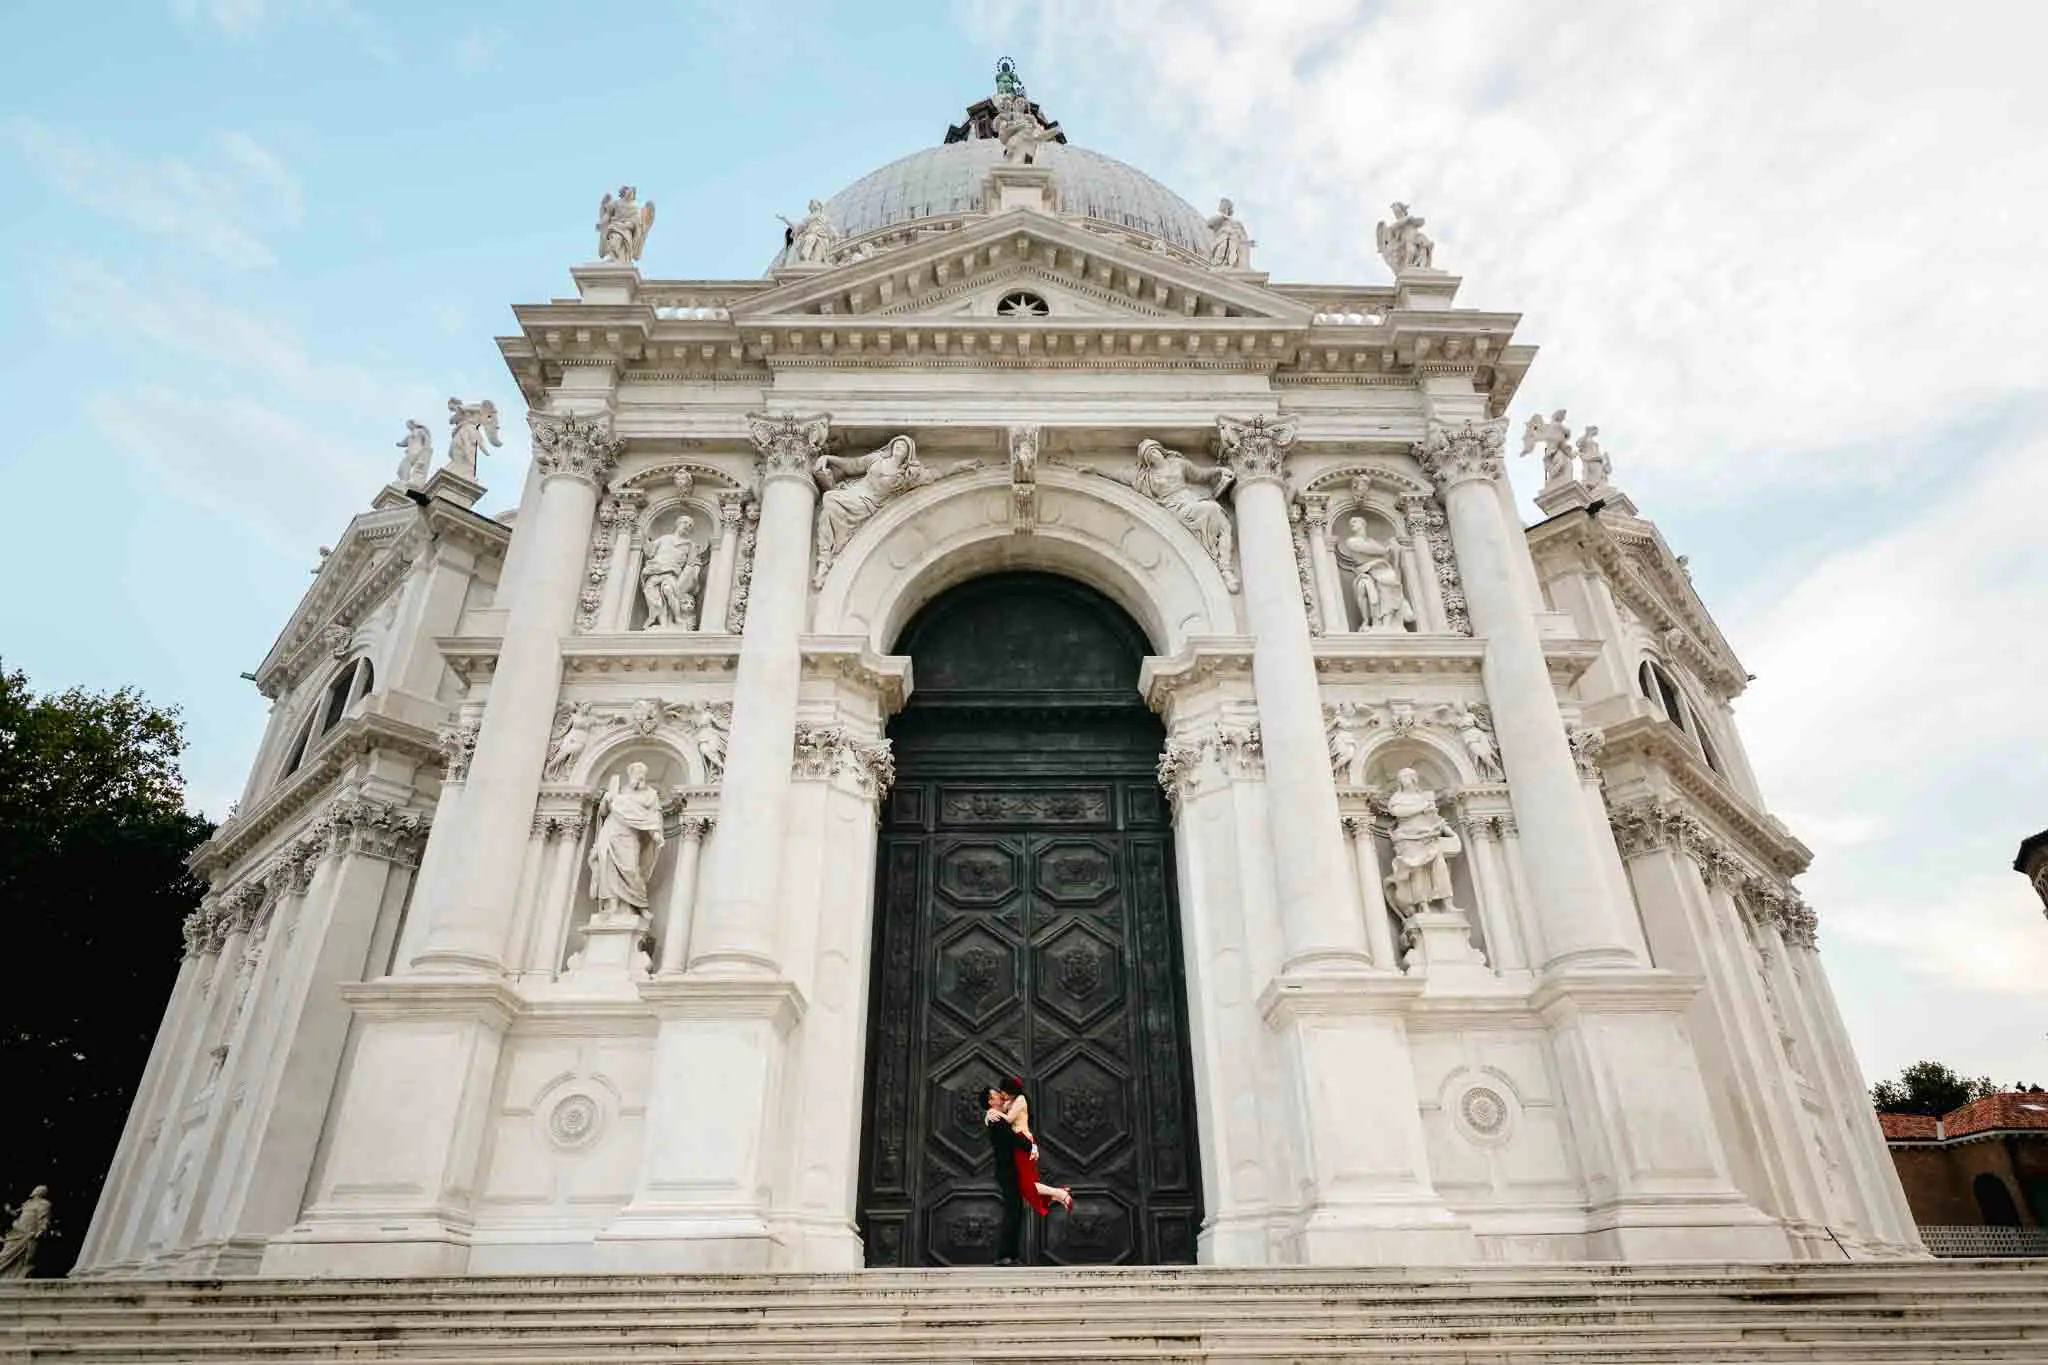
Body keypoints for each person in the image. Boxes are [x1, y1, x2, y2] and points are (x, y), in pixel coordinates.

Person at [990, 1077, 1072, 1219]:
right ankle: (1056, 1195)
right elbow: (999, 1110)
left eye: (1004, 1092)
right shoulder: (1010, 1101)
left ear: (1012, 1091)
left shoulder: (1021, 1099)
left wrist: (993, 1113)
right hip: (1017, 1144)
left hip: (1023, 1142)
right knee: (1026, 1181)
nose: (1002, 1095)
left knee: (1025, 1184)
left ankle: (1060, 1194)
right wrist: (993, 1111)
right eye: (1001, 1092)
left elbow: (1008, 1119)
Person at [982, 1084, 1028, 1265]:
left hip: (1010, 1169)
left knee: (1015, 1209)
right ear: (990, 1101)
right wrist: (1028, 1144)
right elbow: (1011, 1139)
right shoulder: (994, 1119)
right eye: (996, 1096)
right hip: (1007, 1170)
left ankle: (1011, 1254)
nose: (1002, 1097)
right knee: (1012, 1210)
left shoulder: (999, 1117)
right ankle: (1004, 1255)